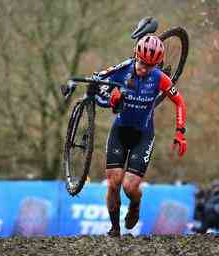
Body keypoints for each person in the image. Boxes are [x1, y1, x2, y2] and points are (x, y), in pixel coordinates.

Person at [68, 35, 187, 237]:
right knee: (114, 183)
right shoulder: (123, 69)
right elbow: (99, 79)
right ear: (135, 55)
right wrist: (109, 96)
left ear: (156, 64)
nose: (144, 68)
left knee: (130, 187)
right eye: (141, 63)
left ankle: (135, 205)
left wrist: (180, 131)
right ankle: (115, 228)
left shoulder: (159, 78)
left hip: (143, 135)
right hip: (119, 132)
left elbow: (180, 102)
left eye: (150, 66)